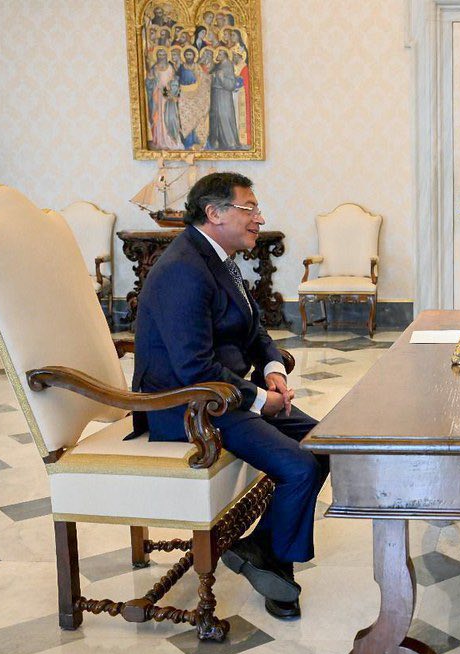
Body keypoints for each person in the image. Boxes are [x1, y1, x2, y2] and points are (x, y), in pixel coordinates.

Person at [132, 173, 328, 621]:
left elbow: (254, 329)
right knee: (299, 466)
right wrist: (259, 399)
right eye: (249, 208)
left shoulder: (219, 259)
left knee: (323, 442)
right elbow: (194, 369)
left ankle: (262, 549)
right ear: (214, 213)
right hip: (186, 406)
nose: (259, 218)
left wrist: (273, 370)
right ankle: (274, 565)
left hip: (223, 396)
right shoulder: (183, 270)